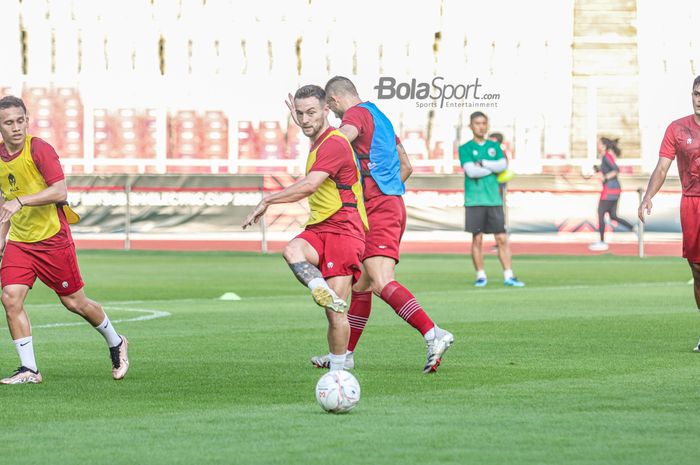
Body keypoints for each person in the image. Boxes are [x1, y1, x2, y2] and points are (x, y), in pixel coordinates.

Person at [289, 76, 454, 374]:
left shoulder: (355, 116)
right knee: (361, 284)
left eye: (328, 108)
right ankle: (346, 353)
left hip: (379, 209)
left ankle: (433, 333)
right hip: (385, 205)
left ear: (334, 102)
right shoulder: (381, 117)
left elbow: (338, 140)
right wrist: (386, 194)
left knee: (379, 280)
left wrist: (312, 133)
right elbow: (407, 167)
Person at [0, 95, 128, 384]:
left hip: (52, 239)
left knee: (74, 302)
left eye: (21, 121)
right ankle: (29, 369)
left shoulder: (40, 150)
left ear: (27, 121)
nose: (16, 127)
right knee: (10, 298)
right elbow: (4, 201)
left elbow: (60, 191)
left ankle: (116, 341)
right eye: (9, 123)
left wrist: (21, 201)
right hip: (21, 242)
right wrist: (2, 237)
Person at [243, 84, 368, 371]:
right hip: (321, 225)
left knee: (335, 311)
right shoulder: (319, 139)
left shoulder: (335, 143)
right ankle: (319, 288)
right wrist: (303, 118)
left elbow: (310, 185)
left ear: (327, 110)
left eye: (311, 112)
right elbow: (309, 124)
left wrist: (268, 200)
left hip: (344, 228)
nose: (304, 119)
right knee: (292, 250)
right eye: (299, 114)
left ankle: (339, 371)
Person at [639, 75, 700, 351]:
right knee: (698, 270)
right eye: (697, 94)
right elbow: (662, 168)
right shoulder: (677, 129)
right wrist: (648, 196)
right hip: (692, 203)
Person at [459, 111, 524, 288]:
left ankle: (509, 275)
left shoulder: (494, 147)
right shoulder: (464, 148)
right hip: (474, 200)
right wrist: (491, 167)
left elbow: (503, 165)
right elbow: (471, 171)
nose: (481, 126)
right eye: (478, 123)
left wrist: (483, 164)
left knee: (502, 238)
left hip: (494, 200)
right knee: (477, 239)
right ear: (471, 126)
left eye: (484, 123)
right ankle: (481, 275)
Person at [589, 137, 635, 251]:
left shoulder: (606, 156)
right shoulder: (606, 157)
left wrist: (605, 176)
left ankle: (601, 241)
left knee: (600, 213)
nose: (597, 146)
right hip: (614, 190)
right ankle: (634, 228)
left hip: (610, 191)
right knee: (613, 215)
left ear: (604, 146)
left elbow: (615, 170)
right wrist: (599, 169)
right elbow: (609, 168)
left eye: (599, 144)